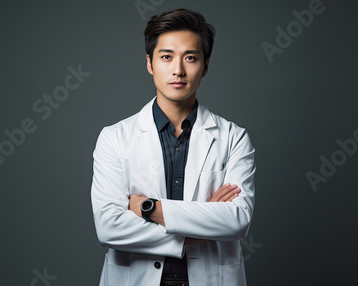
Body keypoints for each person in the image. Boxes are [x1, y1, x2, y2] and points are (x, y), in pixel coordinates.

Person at [91, 8, 256, 286]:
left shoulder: (233, 137)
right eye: (166, 57)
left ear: (205, 66)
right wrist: (198, 231)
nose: (178, 70)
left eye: (190, 58)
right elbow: (108, 228)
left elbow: (237, 220)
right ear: (150, 64)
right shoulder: (114, 137)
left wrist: (148, 208)